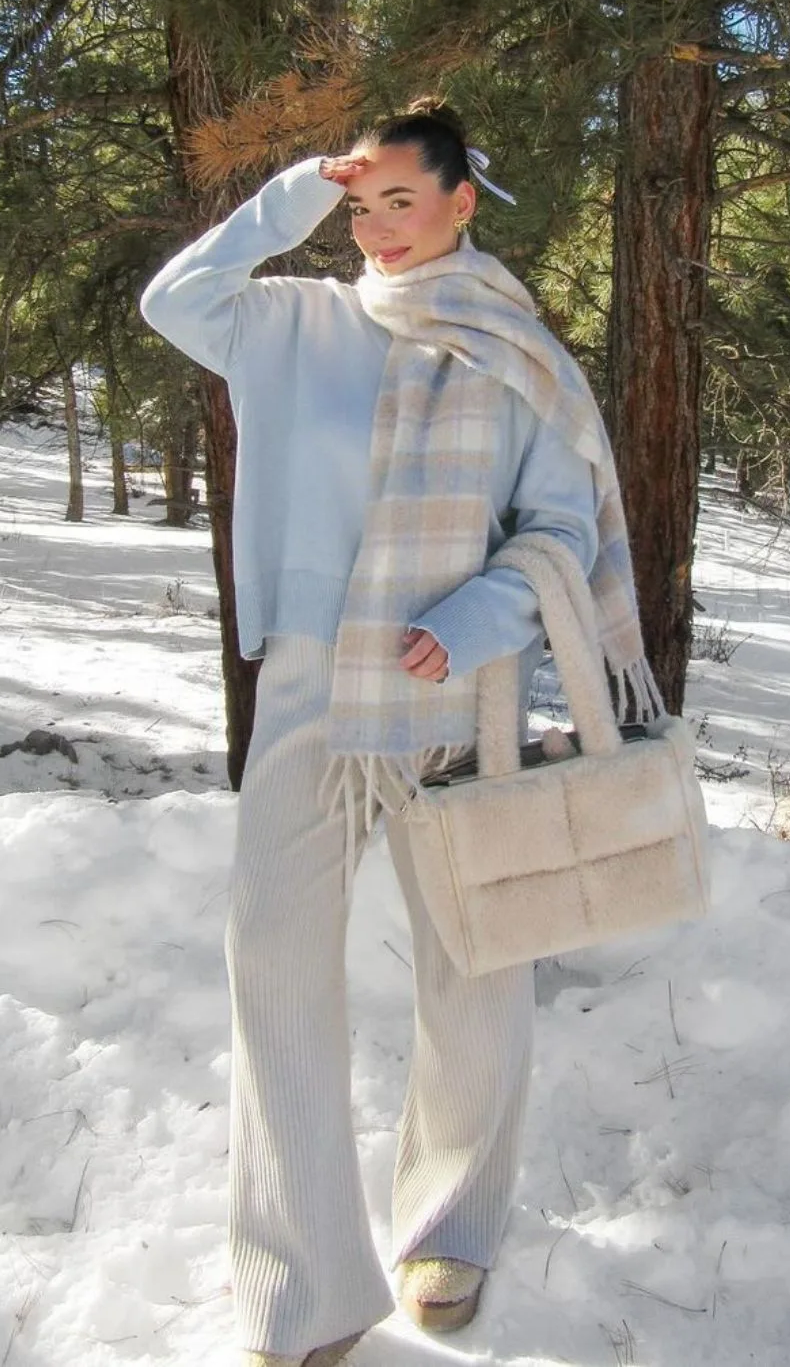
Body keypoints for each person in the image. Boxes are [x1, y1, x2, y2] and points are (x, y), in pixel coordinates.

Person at [140, 100, 608, 1367]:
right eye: (360, 205)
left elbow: (562, 532)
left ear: (462, 202)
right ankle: (300, 1287)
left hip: (452, 693)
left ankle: (451, 1222)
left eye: (404, 201)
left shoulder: (517, 358)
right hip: (307, 683)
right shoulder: (296, 324)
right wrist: (292, 191)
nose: (379, 228)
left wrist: (479, 611)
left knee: (473, 959)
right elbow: (176, 298)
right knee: (274, 960)